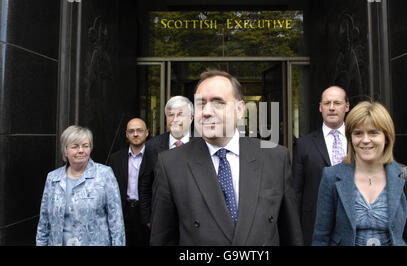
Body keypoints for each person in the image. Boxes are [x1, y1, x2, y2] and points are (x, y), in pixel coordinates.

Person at [149, 69, 303, 245]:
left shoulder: (275, 158)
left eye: (217, 103)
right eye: (200, 104)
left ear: (239, 109)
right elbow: (162, 239)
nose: (206, 112)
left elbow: (291, 235)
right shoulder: (170, 164)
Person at [312, 101, 407, 246]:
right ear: (350, 138)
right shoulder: (331, 176)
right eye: (358, 133)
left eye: (373, 132)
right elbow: (321, 237)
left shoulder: (406, 176)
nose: (365, 140)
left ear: (386, 137)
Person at [36, 125, 125, 246]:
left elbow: (116, 221)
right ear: (65, 150)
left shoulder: (104, 174)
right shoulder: (53, 178)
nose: (81, 150)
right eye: (75, 146)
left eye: (85, 146)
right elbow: (44, 222)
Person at [292, 85, 349, 245]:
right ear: (320, 107)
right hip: (314, 223)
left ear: (346, 107)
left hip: (352, 221)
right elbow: (296, 190)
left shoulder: (358, 141)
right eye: (327, 103)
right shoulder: (304, 144)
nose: (331, 108)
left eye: (337, 103)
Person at [140, 96, 194, 231]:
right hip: (162, 221)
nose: (175, 119)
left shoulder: (202, 144)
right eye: (170, 115)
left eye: (180, 114)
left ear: (191, 118)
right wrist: (148, 219)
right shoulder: (152, 146)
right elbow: (145, 184)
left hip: (195, 220)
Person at [109, 118, 151, 246]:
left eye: (139, 130)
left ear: (147, 133)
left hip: (147, 214)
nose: (135, 134)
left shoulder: (156, 157)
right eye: (131, 131)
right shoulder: (116, 158)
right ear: (127, 134)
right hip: (124, 213)